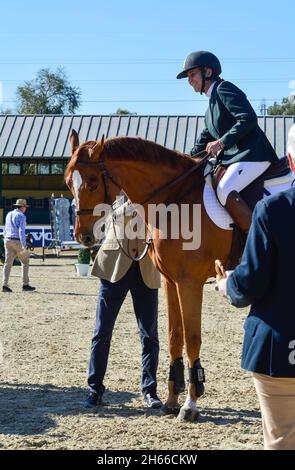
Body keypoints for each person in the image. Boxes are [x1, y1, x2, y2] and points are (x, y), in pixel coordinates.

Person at [216, 189, 295, 450]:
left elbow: (251, 283)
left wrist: (229, 285)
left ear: (292, 163)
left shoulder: (271, 208)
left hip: (280, 348)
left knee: (281, 440)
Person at [177, 50, 279, 233]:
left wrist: (221, 142)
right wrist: (182, 161)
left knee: (225, 189)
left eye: (192, 74)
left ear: (207, 72)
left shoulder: (224, 89)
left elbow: (248, 118)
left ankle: (258, 243)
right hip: (238, 158)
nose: (189, 80)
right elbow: (203, 140)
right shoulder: (210, 108)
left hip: (253, 154)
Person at [84, 199, 162, 409]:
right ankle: (95, 388)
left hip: (146, 267)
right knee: (102, 332)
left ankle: (149, 390)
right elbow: (112, 215)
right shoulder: (113, 187)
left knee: (149, 334)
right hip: (114, 267)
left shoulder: (154, 190)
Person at [2, 199, 35, 292]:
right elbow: (21, 231)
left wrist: (5, 238)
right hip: (17, 241)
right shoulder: (21, 216)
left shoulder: (9, 214)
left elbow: (6, 228)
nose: (26, 208)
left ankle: (4, 285)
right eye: (25, 207)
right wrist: (24, 245)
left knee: (7, 263)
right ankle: (25, 284)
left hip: (7, 239)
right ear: (22, 207)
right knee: (25, 261)